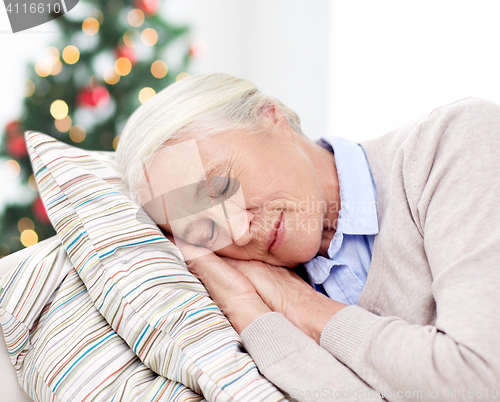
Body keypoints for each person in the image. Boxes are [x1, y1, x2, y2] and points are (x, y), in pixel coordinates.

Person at [116, 73, 500, 401]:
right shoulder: (256, 305)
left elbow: (481, 380)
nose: (237, 229)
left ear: (270, 118)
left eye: (218, 187)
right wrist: (250, 312)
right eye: (203, 230)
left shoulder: (452, 143)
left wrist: (299, 304)